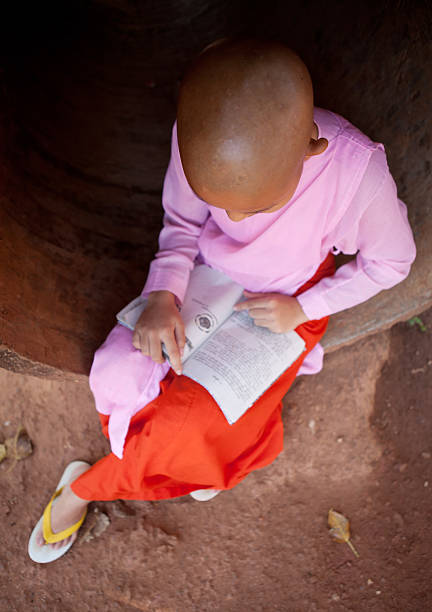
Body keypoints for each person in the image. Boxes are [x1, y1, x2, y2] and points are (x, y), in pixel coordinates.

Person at [28, 39, 416, 562]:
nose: (232, 221)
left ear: (311, 148)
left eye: (253, 207)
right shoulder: (203, 132)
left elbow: (393, 263)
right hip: (202, 280)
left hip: (286, 299)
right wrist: (165, 291)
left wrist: (305, 307)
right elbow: (184, 222)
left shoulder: (357, 174)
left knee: (186, 428)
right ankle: (193, 464)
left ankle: (88, 487)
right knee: (115, 370)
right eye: (221, 205)